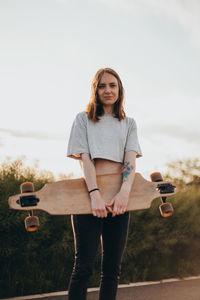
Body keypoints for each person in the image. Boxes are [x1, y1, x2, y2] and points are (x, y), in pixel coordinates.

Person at [66, 67, 142, 300]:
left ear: (120, 90)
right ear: (95, 90)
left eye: (112, 85)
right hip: (89, 197)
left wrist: (123, 195)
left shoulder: (128, 123)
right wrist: (94, 194)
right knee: (83, 269)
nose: (108, 90)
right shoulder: (83, 119)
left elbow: (129, 161)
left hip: (120, 200)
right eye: (102, 85)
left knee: (111, 272)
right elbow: (85, 159)